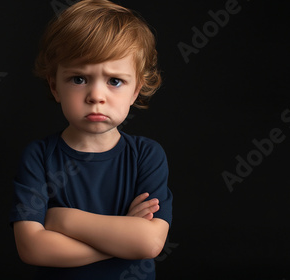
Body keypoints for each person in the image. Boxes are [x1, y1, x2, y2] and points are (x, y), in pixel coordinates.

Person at [9, 0, 173, 279]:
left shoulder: (147, 155)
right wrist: (123, 236)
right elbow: (32, 248)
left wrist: (63, 219)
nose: (96, 96)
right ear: (54, 85)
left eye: (115, 81)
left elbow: (149, 242)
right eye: (79, 79)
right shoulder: (38, 156)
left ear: (136, 91)